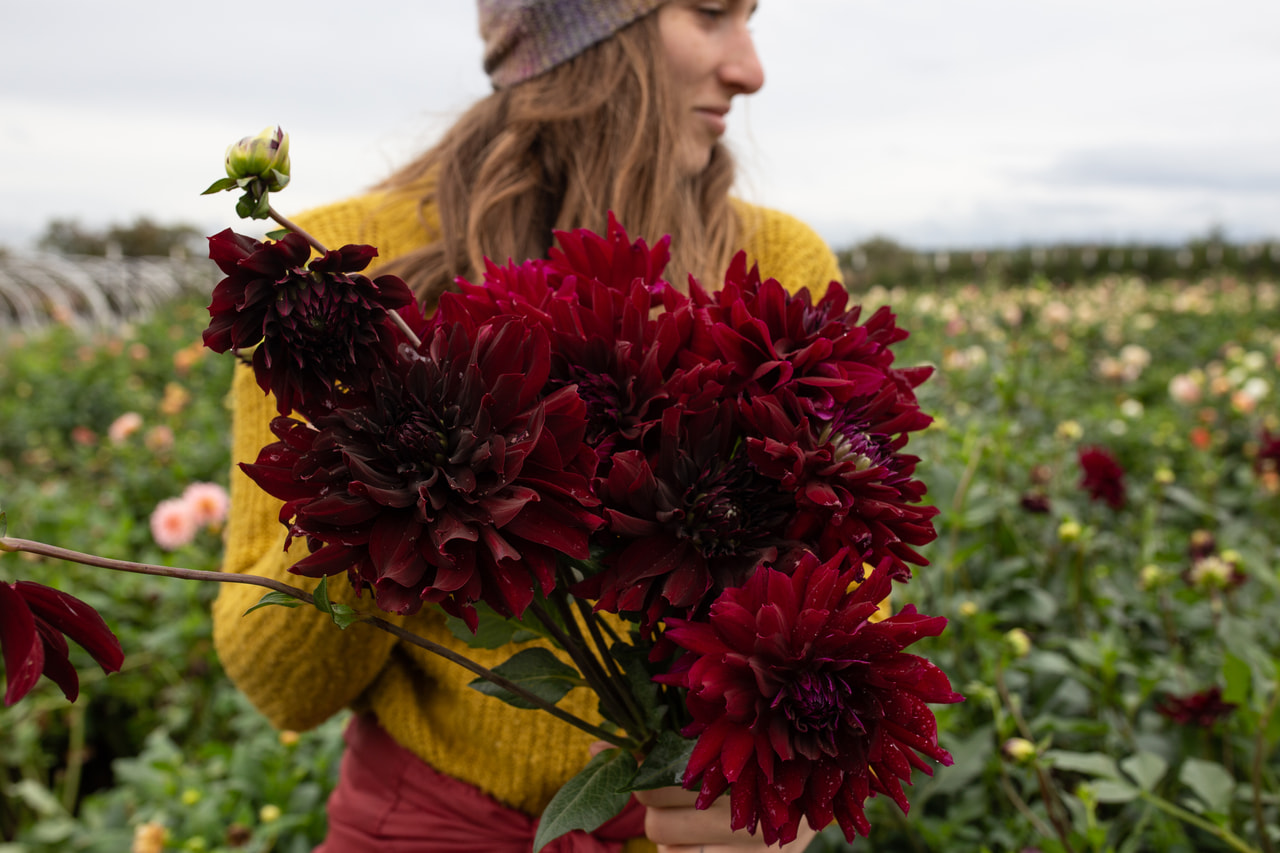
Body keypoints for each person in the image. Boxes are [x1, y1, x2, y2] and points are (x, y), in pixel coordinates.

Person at [212, 2, 839, 850]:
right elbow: (281, 686)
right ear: (581, 36)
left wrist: (789, 793)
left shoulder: (777, 269)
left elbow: (840, 624)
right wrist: (379, 460)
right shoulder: (337, 274)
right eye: (711, 12)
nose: (751, 70)